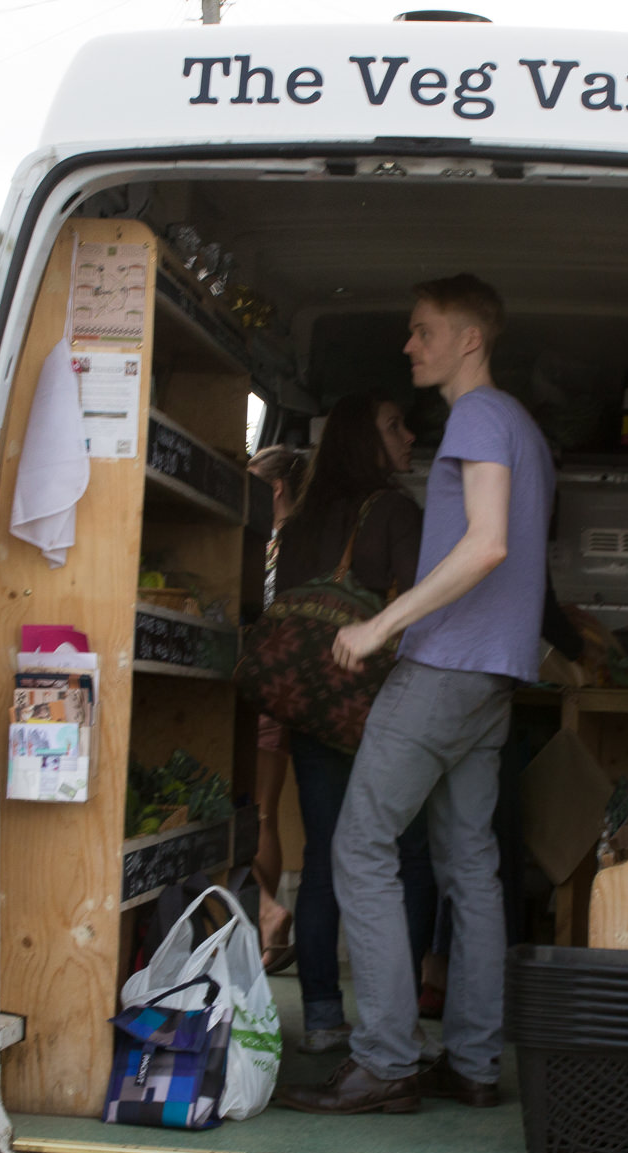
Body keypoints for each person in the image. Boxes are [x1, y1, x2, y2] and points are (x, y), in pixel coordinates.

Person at [279, 274, 554, 1115]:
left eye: (424, 330)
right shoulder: (523, 428)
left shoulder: (478, 414)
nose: (409, 345)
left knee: (359, 844)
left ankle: (386, 1061)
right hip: (493, 676)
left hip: (445, 664)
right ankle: (472, 1063)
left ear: (471, 338)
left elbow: (488, 543)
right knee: (471, 865)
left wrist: (380, 626)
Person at [269, 390, 438, 1054]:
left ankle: (319, 1018)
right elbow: (425, 605)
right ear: (363, 441)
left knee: (323, 858)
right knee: (407, 857)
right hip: (382, 709)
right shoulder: (394, 510)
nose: (409, 435)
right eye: (395, 425)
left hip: (313, 706)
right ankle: (391, 1017)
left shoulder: (300, 520)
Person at [246, 444, 306, 972]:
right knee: (264, 811)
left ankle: (266, 912)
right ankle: (266, 920)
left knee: (254, 811)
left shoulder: (272, 548)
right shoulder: (306, 545)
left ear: (276, 488)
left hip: (260, 687)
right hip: (285, 689)